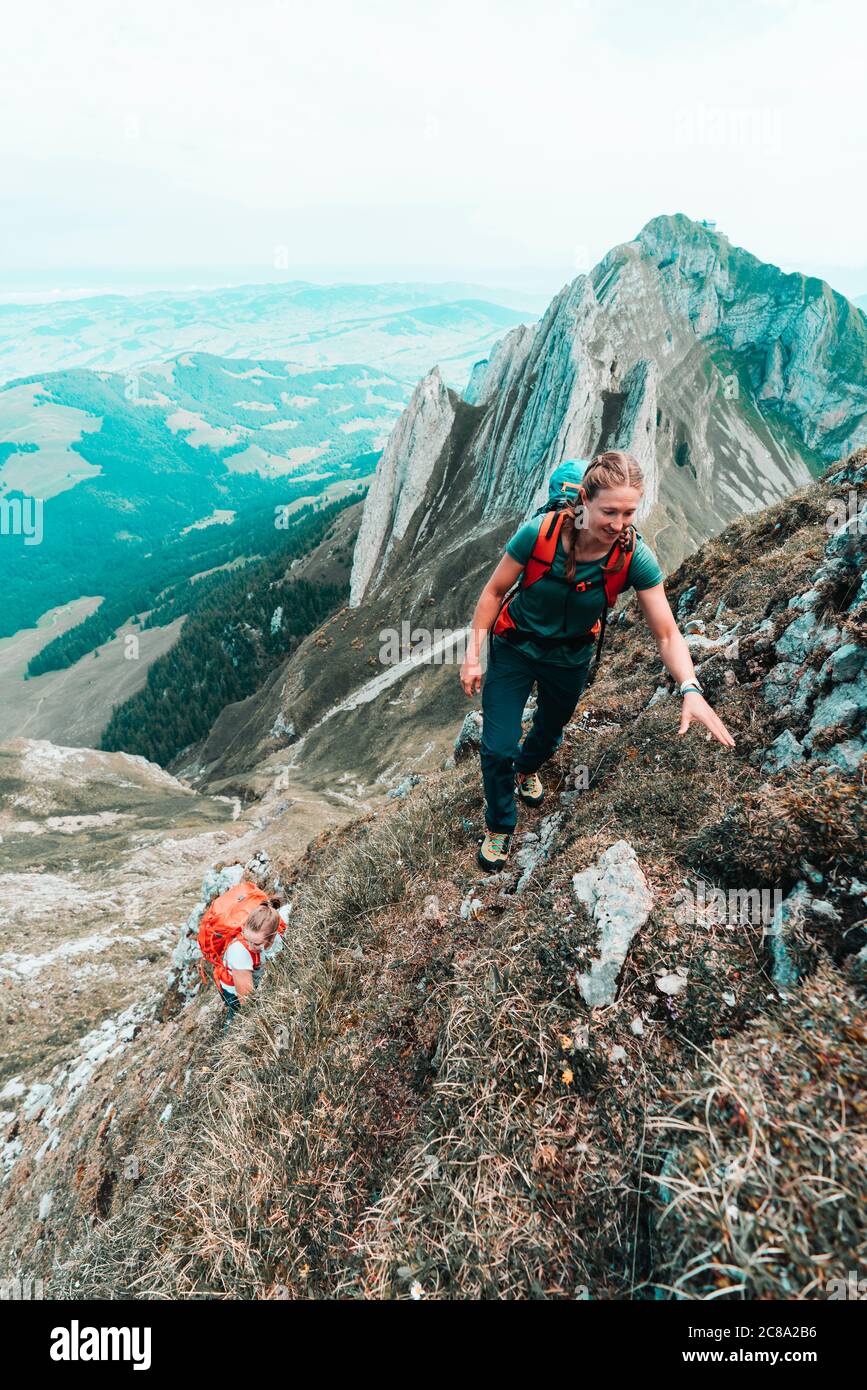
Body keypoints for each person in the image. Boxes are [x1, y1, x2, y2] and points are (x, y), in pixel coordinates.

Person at [459, 451, 736, 872]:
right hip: (514, 648)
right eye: (609, 511)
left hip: (570, 659)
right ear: (584, 500)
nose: (619, 524)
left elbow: (666, 632)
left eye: (629, 512)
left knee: (549, 733)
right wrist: (472, 657)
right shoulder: (537, 535)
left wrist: (690, 686)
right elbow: (493, 593)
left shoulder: (633, 556)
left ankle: (527, 768)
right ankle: (500, 826)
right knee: (497, 748)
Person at [214, 900, 283, 1030]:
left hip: (252, 973)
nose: (250, 946)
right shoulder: (240, 953)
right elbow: (247, 1002)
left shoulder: (278, 936)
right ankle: (229, 1028)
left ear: (272, 938)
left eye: (256, 943)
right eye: (247, 939)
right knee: (236, 1012)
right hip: (232, 990)